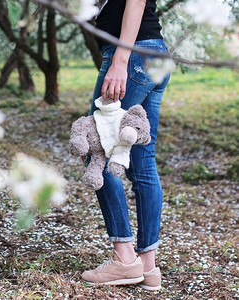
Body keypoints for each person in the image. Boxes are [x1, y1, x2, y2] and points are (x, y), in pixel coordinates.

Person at [80, 0, 170, 291]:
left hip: (131, 55)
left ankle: (124, 258)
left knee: (97, 150)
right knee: (143, 161)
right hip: (152, 53)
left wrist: (120, 60)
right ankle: (147, 266)